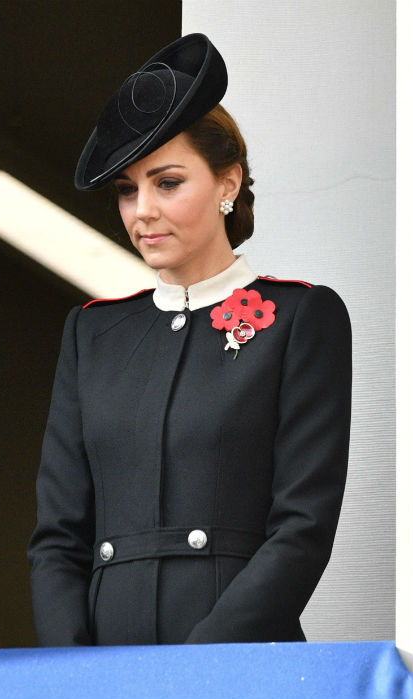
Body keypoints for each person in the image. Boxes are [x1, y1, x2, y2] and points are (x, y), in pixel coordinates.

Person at [27, 33, 352, 646]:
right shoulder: (92, 332)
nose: (142, 210)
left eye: (167, 182)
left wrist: (199, 669)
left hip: (238, 659)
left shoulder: (301, 317)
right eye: (127, 189)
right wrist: (69, 672)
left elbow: (302, 528)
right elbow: (58, 539)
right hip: (104, 665)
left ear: (228, 183)